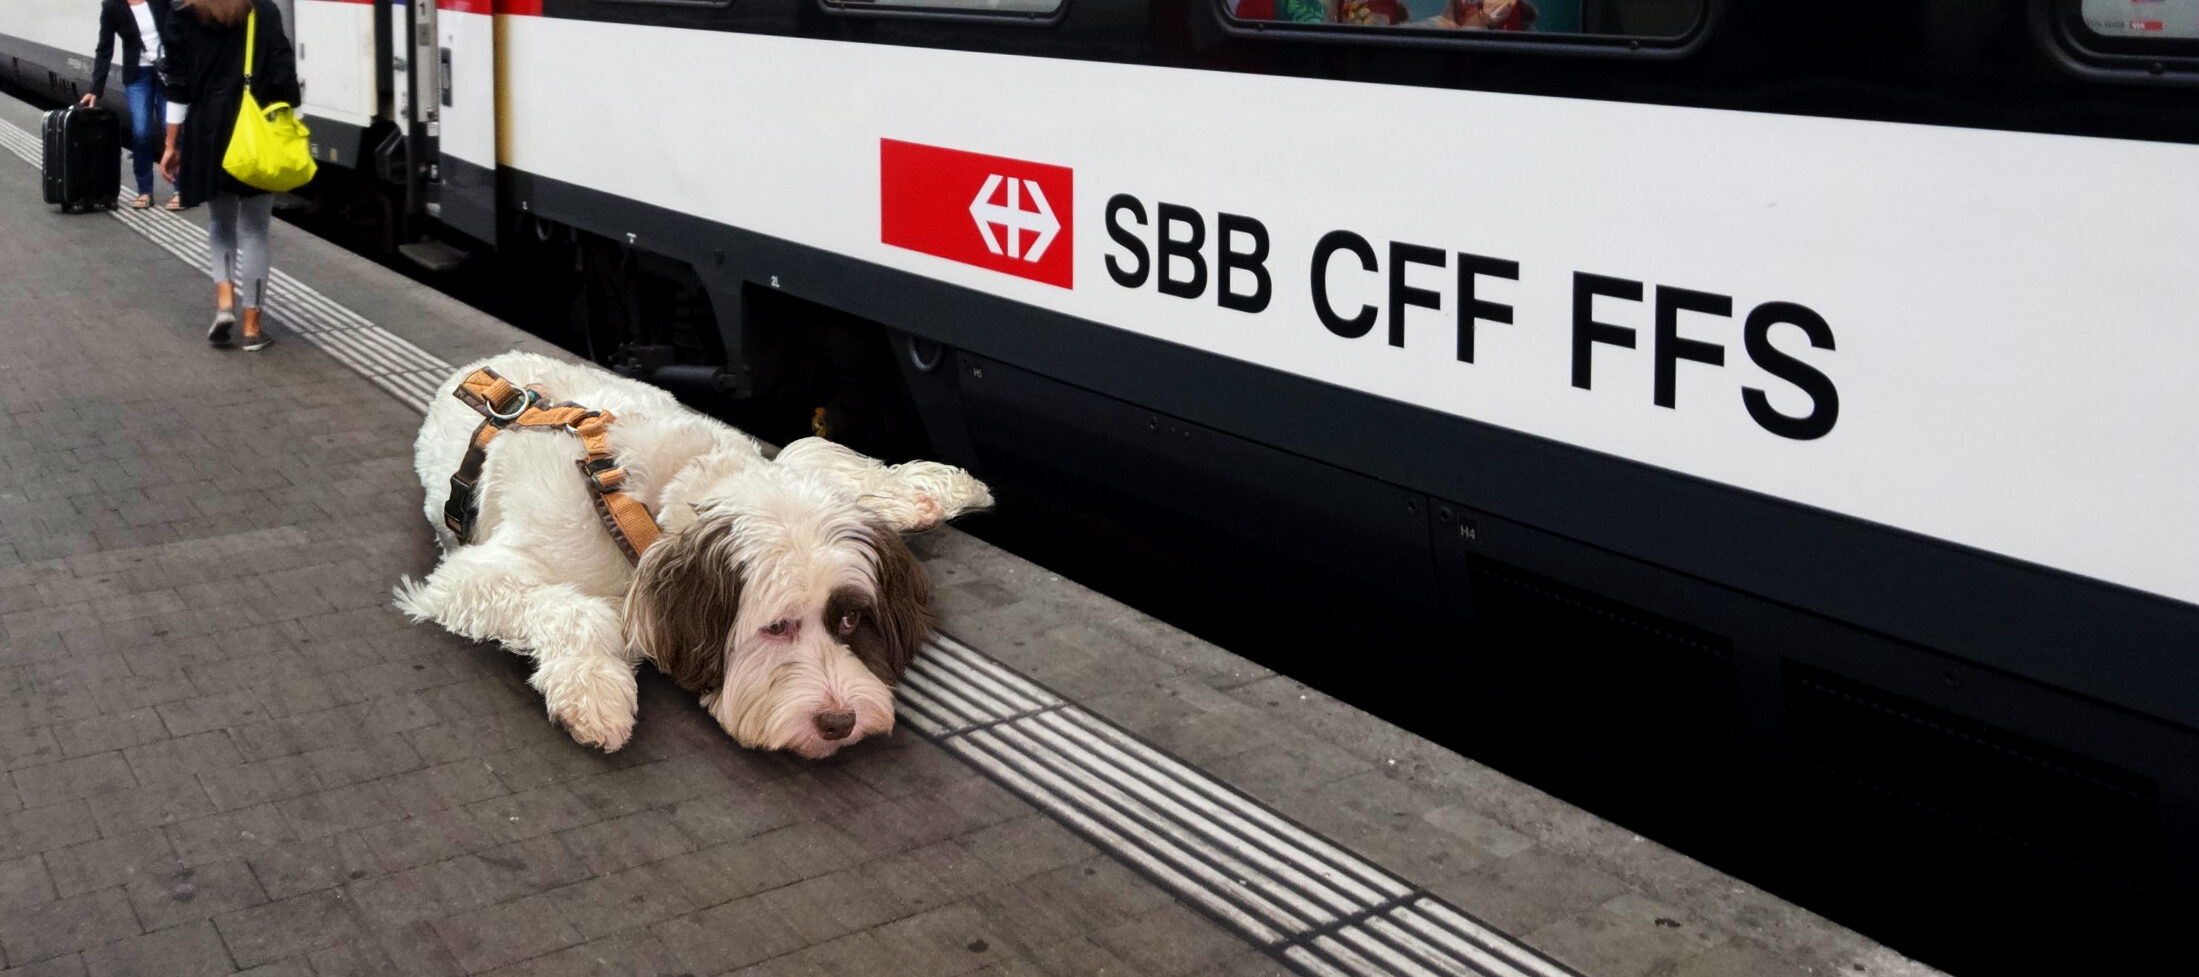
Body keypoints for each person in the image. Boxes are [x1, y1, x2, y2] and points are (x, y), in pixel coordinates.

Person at [157, 0, 298, 352]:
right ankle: (253, 327)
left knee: (220, 223)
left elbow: (177, 86)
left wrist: (171, 144)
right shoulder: (264, 11)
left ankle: (224, 306)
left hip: (207, 130)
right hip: (254, 131)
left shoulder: (183, 15)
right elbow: (284, 77)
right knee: (255, 230)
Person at [83, 0, 175, 210]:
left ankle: (180, 188)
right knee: (141, 133)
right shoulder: (112, 6)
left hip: (166, 72)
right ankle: (144, 190)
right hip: (137, 76)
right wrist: (95, 89)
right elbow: (104, 48)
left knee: (170, 128)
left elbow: (178, 28)